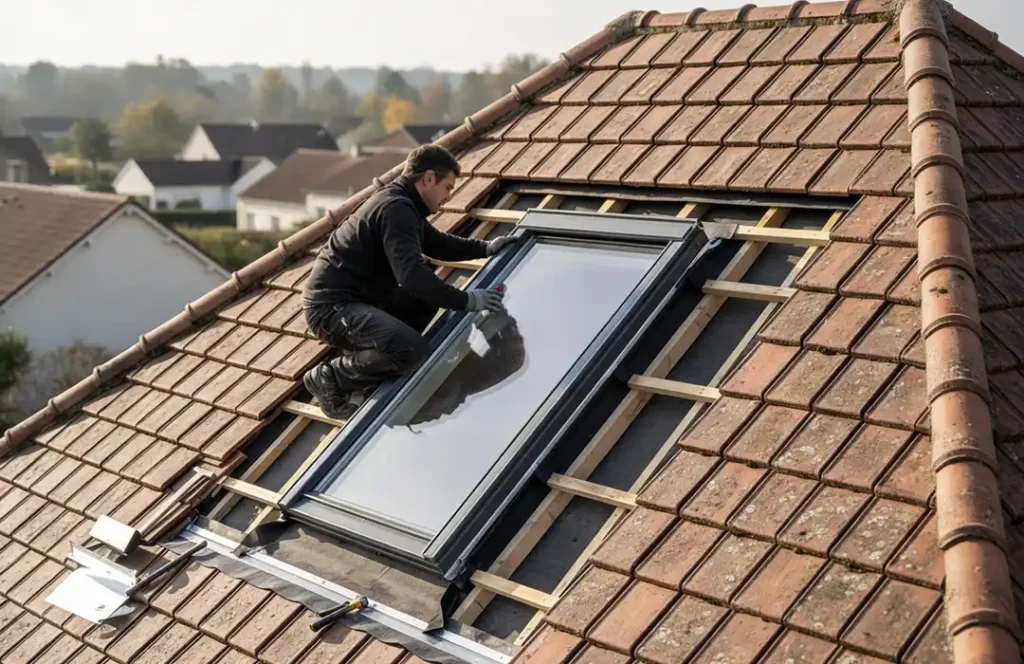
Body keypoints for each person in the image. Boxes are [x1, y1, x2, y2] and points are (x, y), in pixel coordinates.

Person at [301, 144, 515, 419]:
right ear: (428, 179)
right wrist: (468, 301)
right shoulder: (396, 208)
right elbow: (411, 276)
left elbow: (437, 244)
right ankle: (332, 376)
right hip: (332, 308)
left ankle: (376, 356)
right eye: (448, 187)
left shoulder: (403, 204)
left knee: (425, 303)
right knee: (412, 351)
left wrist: (485, 248)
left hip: (361, 300)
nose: (448, 197)